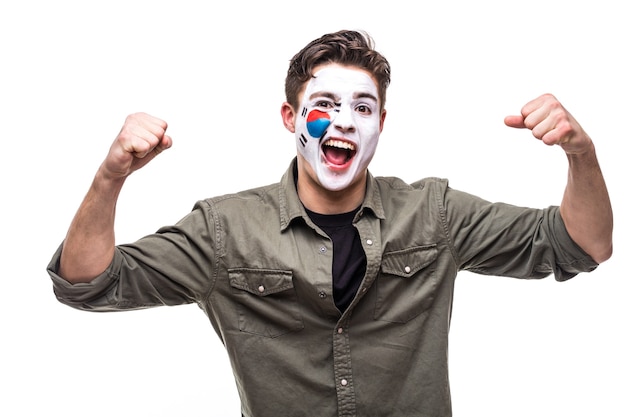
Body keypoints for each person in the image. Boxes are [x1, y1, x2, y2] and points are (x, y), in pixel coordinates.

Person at [47, 29, 613, 417]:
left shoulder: (435, 214)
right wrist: (110, 177)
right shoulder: (224, 230)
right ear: (291, 117)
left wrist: (580, 152)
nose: (343, 122)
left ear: (381, 124)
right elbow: (87, 283)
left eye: (362, 108)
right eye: (325, 105)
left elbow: (582, 245)